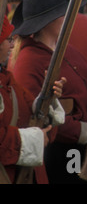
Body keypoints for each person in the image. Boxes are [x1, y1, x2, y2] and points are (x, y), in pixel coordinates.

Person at [10, 0, 87, 184]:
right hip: (62, 152)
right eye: (61, 14)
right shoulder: (29, 61)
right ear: (45, 22)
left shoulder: (66, 50)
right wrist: (84, 131)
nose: (68, 18)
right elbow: (35, 117)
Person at [0, 15, 65, 184]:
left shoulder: (7, 80)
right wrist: (32, 139)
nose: (13, 44)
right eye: (8, 39)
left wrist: (48, 98)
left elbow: (33, 114)